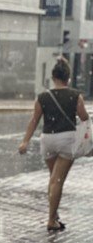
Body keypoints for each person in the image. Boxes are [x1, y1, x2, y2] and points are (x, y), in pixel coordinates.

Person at [18, 58, 89, 231]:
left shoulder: (43, 97)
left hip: (47, 140)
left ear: (53, 77)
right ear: (68, 78)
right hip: (67, 141)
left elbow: (34, 120)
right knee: (57, 181)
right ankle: (51, 219)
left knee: (53, 179)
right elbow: (84, 117)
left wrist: (25, 141)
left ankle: (54, 213)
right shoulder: (75, 95)